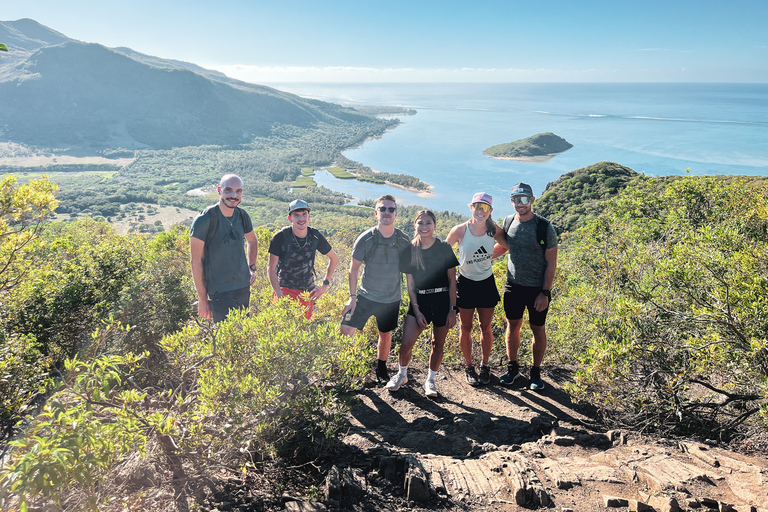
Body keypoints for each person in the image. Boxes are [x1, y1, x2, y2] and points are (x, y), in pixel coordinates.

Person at [386, 210, 459, 398]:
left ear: (435, 225)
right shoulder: (410, 250)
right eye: (420, 223)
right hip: (421, 301)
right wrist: (417, 311)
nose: (424, 227)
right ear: (415, 225)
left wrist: (453, 309)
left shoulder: (443, 248)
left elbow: (452, 281)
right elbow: (410, 285)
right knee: (406, 343)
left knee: (438, 344)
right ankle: (402, 375)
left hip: (443, 301)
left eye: (428, 223)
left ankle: (431, 381)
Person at [341, 195, 411, 384]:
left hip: (391, 298)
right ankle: (348, 365)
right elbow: (353, 269)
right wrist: (352, 297)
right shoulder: (365, 239)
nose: (386, 212)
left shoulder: (403, 240)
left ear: (396, 214)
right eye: (382, 209)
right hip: (365, 295)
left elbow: (410, 272)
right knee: (346, 328)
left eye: (390, 209)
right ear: (376, 212)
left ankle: (381, 368)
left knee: (385, 334)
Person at [495, 182, 558, 390]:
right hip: (512, 285)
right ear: (511, 201)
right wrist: (478, 260)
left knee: (537, 329)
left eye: (524, 199)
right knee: (512, 326)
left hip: (536, 289)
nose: (519, 203)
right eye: (515, 199)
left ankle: (535, 372)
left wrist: (545, 292)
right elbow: (505, 246)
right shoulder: (508, 221)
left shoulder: (544, 227)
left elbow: (551, 263)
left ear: (532, 200)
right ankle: (512, 368)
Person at [446, 192, 507, 386]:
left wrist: (487, 257)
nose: (480, 211)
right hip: (465, 283)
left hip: (486, 282)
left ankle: (485, 365)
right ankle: (468, 366)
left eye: (485, 207)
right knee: (465, 327)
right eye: (477, 206)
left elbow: (505, 246)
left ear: (490, 211)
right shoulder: (460, 230)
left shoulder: (493, 230)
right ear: (471, 207)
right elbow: (444, 253)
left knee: (485, 327)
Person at [190, 174, 259, 323]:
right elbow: (195, 261)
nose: (234, 195)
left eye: (238, 191)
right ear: (219, 190)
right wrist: (202, 299)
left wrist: (251, 268)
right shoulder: (205, 219)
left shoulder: (242, 215)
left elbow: (252, 241)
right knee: (227, 339)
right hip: (219, 290)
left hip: (242, 286)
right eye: (228, 190)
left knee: (243, 333)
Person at [268, 199, 339, 319]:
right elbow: (271, 268)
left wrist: (324, 285)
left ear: (309, 216)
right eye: (296, 215)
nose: (301, 219)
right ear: (290, 218)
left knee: (302, 331)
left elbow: (334, 258)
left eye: (304, 214)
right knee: (281, 331)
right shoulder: (280, 237)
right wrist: (279, 294)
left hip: (307, 293)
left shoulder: (315, 235)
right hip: (285, 290)